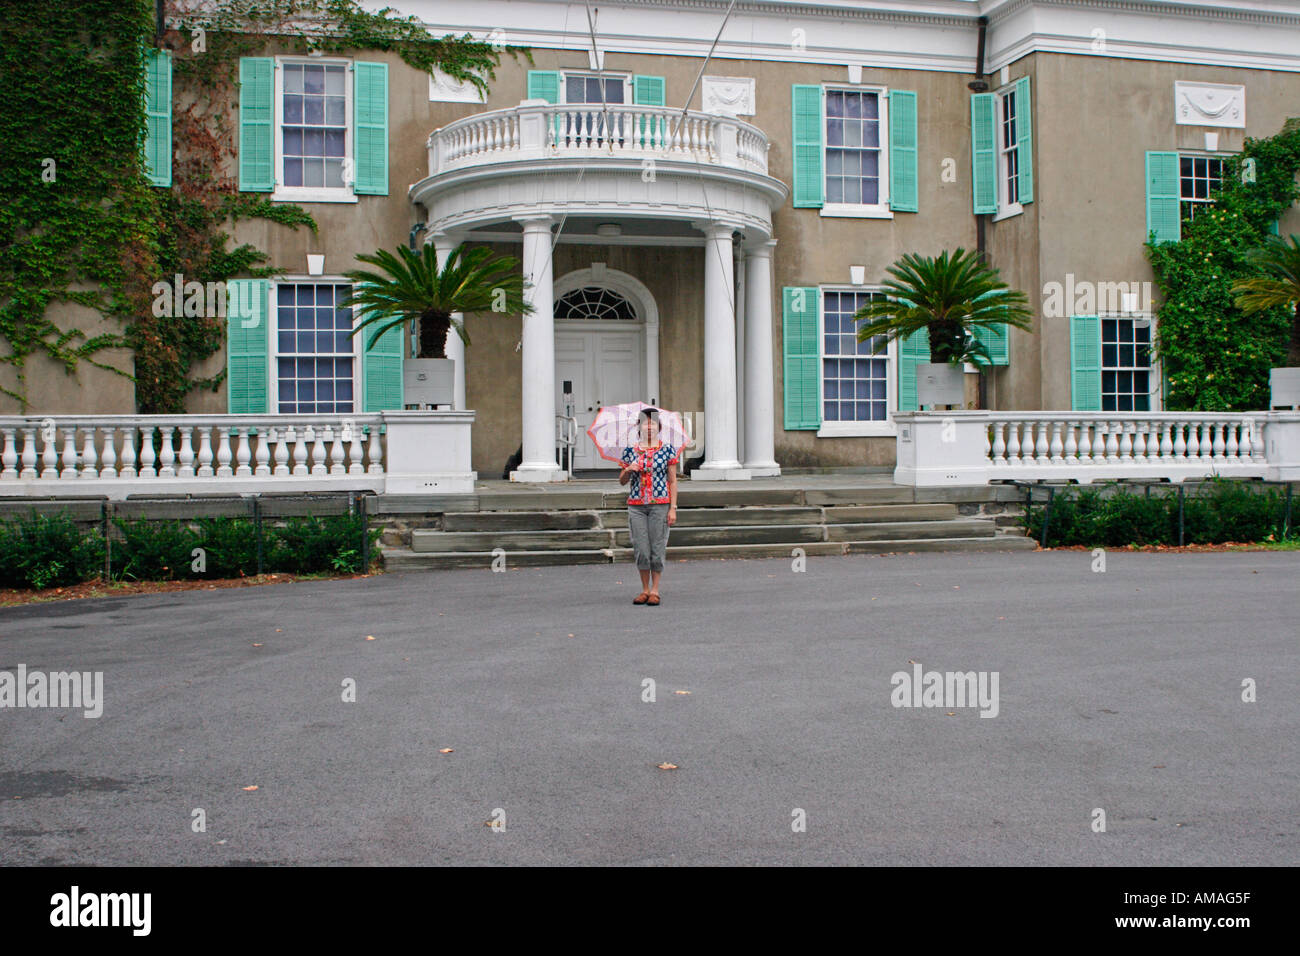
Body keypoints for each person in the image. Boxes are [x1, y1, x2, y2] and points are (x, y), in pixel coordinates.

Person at [619, 408, 678, 605]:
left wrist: (673, 508)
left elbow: (672, 481)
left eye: (653, 423)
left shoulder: (667, 449)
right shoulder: (630, 451)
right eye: (646, 423)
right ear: (639, 427)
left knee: (657, 547)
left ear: (658, 427)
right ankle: (644, 589)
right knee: (641, 548)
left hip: (660, 505)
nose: (649, 427)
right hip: (636, 505)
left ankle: (655, 590)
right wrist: (628, 469)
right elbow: (622, 481)